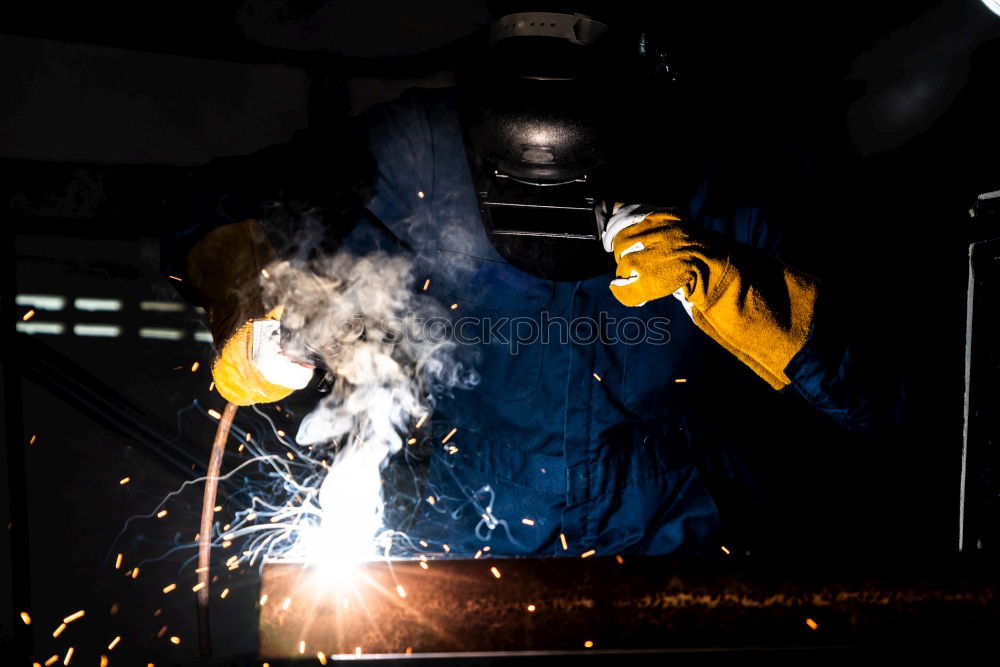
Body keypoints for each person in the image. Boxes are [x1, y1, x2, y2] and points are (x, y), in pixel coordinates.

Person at [162, 9, 900, 557]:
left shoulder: (718, 169)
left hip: (673, 536)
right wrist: (243, 303)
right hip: (465, 529)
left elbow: (889, 404)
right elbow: (219, 202)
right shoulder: (422, 146)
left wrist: (748, 296)